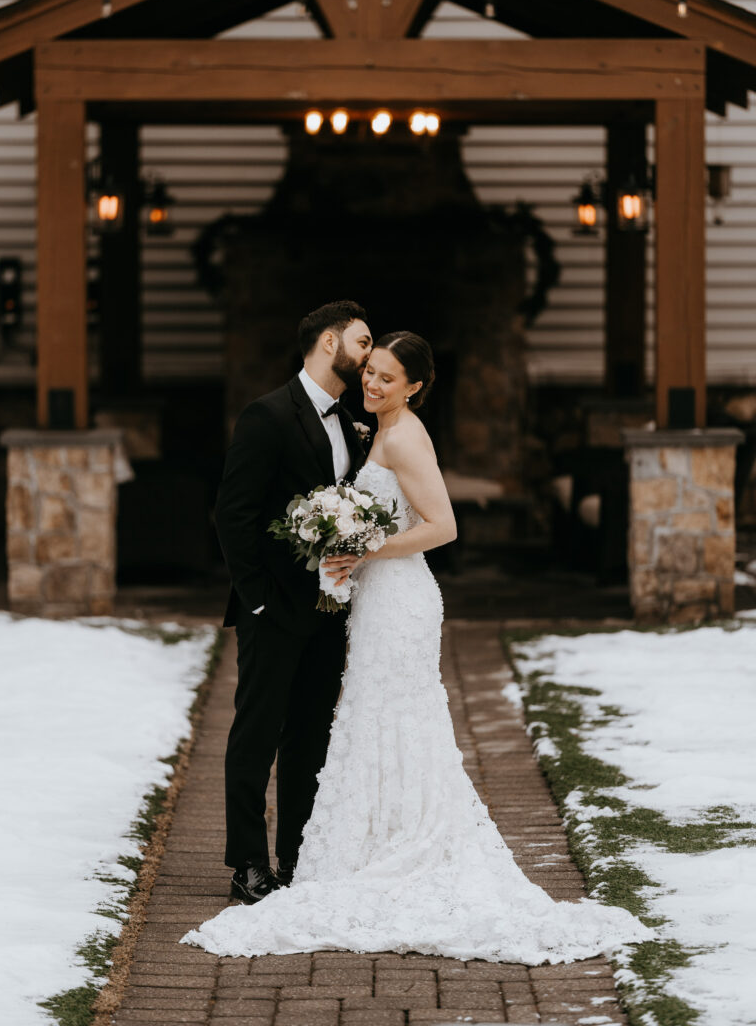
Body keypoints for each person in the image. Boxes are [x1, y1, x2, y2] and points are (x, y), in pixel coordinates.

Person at [184, 331, 650, 963]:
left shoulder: (402, 436)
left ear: (414, 387)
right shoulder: (368, 428)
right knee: (371, 719)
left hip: (400, 600)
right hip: (371, 601)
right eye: (369, 371)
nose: (372, 383)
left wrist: (367, 549)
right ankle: (365, 843)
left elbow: (444, 525)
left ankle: (404, 846)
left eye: (386, 377)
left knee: (393, 716)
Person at [214, 300, 372, 904]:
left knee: (309, 735)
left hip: (329, 610)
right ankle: (248, 862)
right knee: (257, 733)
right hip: (272, 609)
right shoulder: (267, 415)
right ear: (330, 343)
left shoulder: (354, 422)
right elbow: (234, 515)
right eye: (361, 343)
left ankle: (299, 855)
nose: (368, 355)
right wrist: (256, 601)